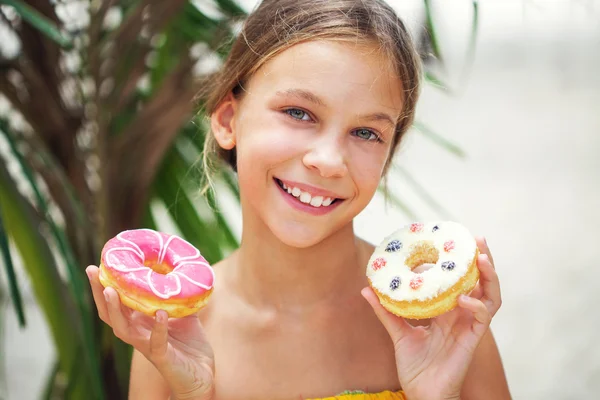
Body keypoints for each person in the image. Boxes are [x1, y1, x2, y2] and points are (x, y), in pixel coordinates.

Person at [86, 0, 510, 398]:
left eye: (366, 133)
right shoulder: (172, 334)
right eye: (299, 113)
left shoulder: (441, 324)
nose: (328, 161)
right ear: (229, 119)